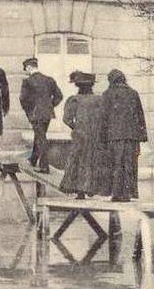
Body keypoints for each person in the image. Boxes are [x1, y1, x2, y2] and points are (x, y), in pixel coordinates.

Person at [60, 71, 111, 199]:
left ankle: (80, 192)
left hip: (80, 135)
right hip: (96, 136)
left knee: (78, 161)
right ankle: (92, 189)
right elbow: (106, 118)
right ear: (92, 86)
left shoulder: (74, 100)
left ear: (78, 86)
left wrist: (76, 127)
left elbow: (67, 119)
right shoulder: (100, 99)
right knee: (93, 161)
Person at [101, 69, 148, 202]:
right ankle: (128, 193)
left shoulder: (107, 94)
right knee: (130, 164)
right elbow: (140, 115)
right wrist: (142, 136)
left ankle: (116, 193)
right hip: (132, 136)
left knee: (115, 164)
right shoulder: (133, 94)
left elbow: (103, 118)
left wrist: (102, 138)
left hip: (113, 136)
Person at [19, 57, 62, 173]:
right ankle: (33, 159)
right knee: (39, 135)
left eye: (26, 69)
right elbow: (59, 96)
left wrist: (29, 112)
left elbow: (23, 99)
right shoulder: (49, 80)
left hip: (35, 113)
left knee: (41, 138)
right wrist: (50, 106)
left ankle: (44, 166)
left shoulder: (27, 81)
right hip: (47, 114)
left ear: (29, 67)